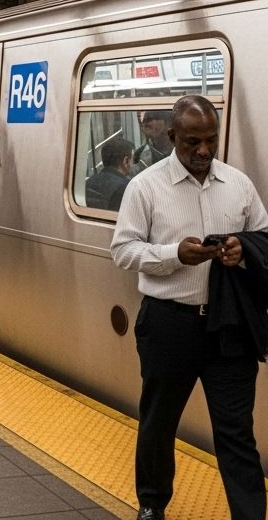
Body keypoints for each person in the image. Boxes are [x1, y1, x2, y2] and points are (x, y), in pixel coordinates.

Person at [112, 95, 268, 520]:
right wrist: (174, 255)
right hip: (169, 323)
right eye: (192, 142)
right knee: (159, 421)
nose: (203, 151)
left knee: (237, 432)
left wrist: (243, 250)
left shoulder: (239, 184)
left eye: (211, 141)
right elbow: (123, 251)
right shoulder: (145, 187)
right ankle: (152, 504)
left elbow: (263, 238)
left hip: (228, 325)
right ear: (172, 137)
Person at [86, 136, 134, 211]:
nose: (133, 164)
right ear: (126, 161)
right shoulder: (127, 188)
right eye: (132, 160)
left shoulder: (88, 183)